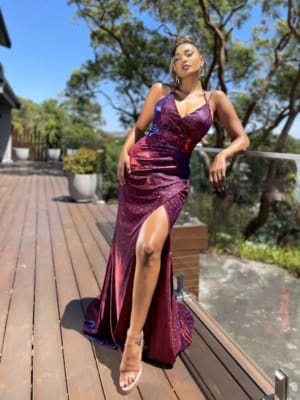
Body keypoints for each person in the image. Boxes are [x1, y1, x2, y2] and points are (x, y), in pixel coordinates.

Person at [83, 34, 250, 393]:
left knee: (148, 247)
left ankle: (133, 338)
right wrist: (124, 152)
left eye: (189, 54)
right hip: (140, 172)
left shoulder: (215, 99)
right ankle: (132, 333)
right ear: (173, 66)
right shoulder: (160, 91)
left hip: (174, 179)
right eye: (177, 57)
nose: (183, 60)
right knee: (137, 250)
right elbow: (139, 128)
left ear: (201, 59)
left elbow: (243, 138)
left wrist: (223, 155)